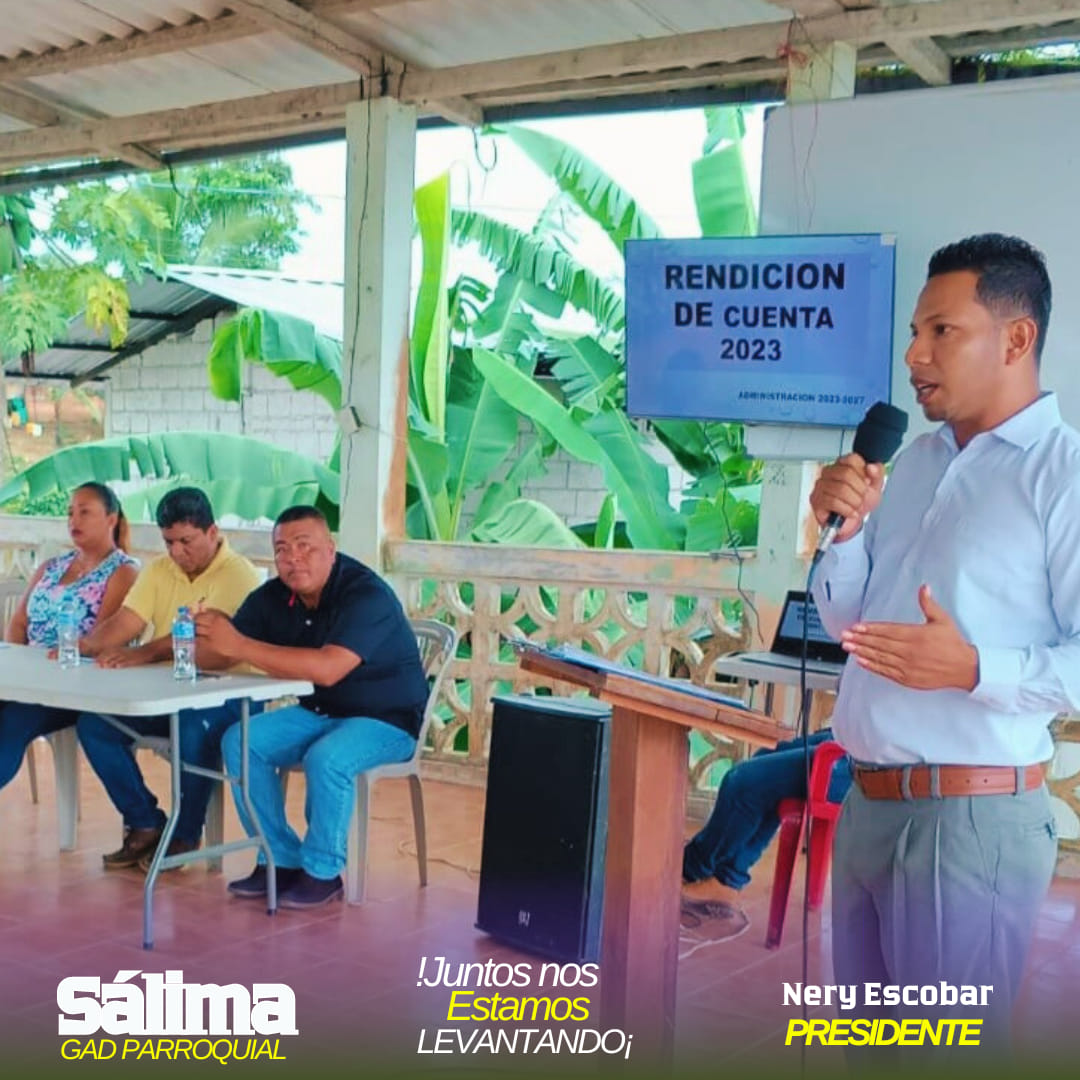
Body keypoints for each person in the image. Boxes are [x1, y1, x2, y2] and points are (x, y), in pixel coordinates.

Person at [809, 234, 1077, 1046]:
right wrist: (845, 534)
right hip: (868, 801)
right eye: (914, 333)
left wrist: (973, 669)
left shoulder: (1062, 475)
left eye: (941, 331)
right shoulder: (916, 463)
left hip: (970, 819)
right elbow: (848, 628)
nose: (913, 355)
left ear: (1016, 338)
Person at [195, 505, 429, 909]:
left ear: (331, 549)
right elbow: (221, 653)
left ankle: (323, 873)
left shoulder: (365, 594)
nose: (293, 559)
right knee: (240, 741)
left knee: (328, 757)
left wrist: (239, 645)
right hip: (321, 712)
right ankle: (278, 858)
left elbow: (328, 669)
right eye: (282, 550)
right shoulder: (273, 596)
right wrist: (205, 633)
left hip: (387, 721)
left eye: (305, 546)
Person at [75, 486, 261, 870]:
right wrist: (86, 645)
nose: (176, 552)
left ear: (212, 532)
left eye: (186, 541)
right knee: (95, 724)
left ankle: (185, 835)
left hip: (232, 698)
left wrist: (143, 653)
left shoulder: (239, 573)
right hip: (167, 693)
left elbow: (214, 648)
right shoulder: (159, 569)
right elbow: (126, 622)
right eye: (169, 542)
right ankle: (145, 822)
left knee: (192, 726)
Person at [0, 482, 138, 789]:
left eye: (84, 512)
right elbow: (19, 623)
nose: (74, 520)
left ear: (111, 519)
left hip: (73, 686)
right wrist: (15, 669)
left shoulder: (123, 571)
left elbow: (102, 639)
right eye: (70, 513)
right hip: (28, 677)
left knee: (14, 722)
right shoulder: (51, 567)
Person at [681, 729, 852, 939]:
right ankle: (725, 880)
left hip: (859, 767)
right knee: (765, 757)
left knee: (741, 782)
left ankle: (691, 868)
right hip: (849, 739)